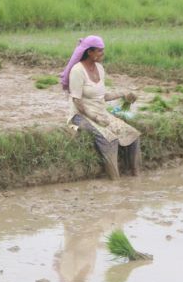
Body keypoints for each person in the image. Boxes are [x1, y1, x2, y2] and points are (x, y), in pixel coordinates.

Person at [60, 36, 141, 180]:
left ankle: (136, 176)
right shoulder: (77, 71)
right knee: (109, 140)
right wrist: (95, 117)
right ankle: (115, 180)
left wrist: (123, 94)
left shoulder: (100, 68)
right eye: (100, 51)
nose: (102, 54)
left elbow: (103, 96)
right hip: (80, 115)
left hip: (101, 112)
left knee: (132, 135)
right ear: (89, 52)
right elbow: (76, 100)